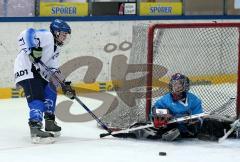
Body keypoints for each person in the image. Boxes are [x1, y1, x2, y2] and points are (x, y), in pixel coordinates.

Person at [14, 19, 76, 143]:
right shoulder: (46, 36)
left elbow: (52, 69)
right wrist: (31, 50)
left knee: (51, 88)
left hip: (37, 72)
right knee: (37, 96)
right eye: (63, 35)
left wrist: (64, 85)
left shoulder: (56, 49)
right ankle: (35, 128)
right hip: (26, 69)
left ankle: (49, 121)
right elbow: (26, 33)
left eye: (66, 36)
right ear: (56, 33)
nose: (64, 38)